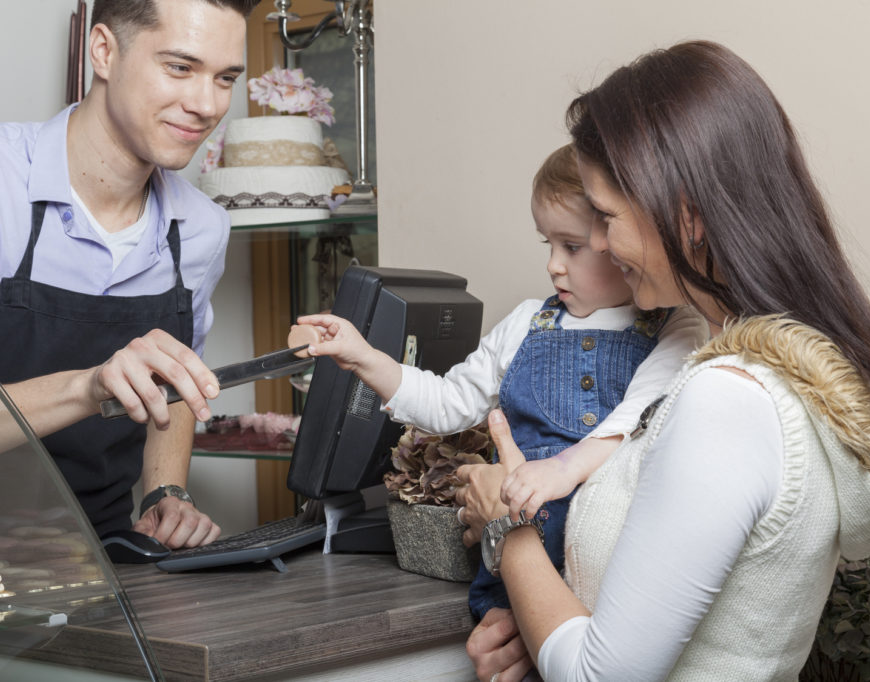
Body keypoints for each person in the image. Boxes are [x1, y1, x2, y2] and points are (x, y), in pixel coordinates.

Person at [456, 40, 870, 682]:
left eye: (604, 217)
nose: (598, 245)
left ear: (685, 216)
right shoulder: (773, 376)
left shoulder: (729, 400)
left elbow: (602, 677)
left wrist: (509, 532)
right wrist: (543, 621)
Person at [0, 0, 261, 548]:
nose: (205, 103)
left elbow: (170, 391)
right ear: (103, 50)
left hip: (96, 557)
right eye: (179, 67)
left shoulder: (200, 227)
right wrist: (89, 385)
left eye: (225, 78)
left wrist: (165, 494)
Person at [297, 144, 706, 620]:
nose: (554, 264)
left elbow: (636, 418)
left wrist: (560, 471)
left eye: (571, 246)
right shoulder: (526, 323)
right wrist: (364, 357)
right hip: (509, 560)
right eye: (547, 244)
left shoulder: (677, 328)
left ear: (618, 238)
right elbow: (449, 401)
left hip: (603, 571)